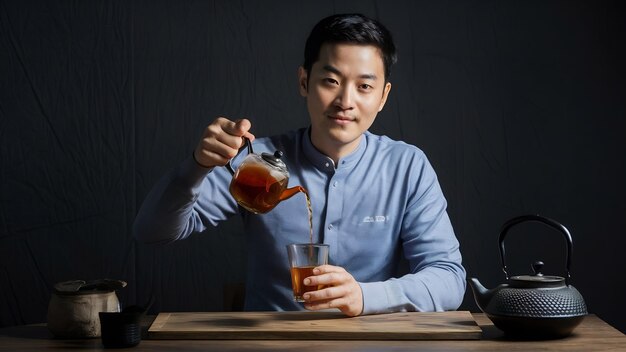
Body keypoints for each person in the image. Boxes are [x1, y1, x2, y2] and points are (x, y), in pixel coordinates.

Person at [134, 13, 466, 317]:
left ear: (382, 96)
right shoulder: (258, 162)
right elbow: (152, 232)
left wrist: (364, 297)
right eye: (331, 81)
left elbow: (449, 279)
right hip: (270, 342)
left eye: (364, 86)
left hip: (369, 341)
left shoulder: (406, 166)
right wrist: (198, 166)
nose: (345, 102)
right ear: (304, 81)